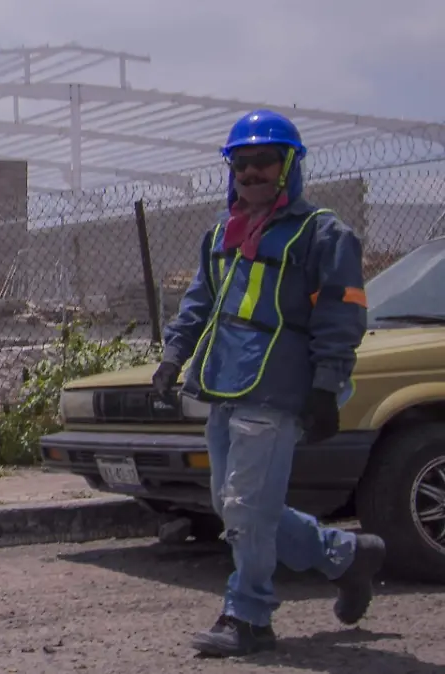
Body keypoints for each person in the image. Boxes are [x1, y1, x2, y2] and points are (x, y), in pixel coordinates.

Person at [151, 109, 386, 658]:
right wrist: (172, 358)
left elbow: (340, 318)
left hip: (277, 390)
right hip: (224, 385)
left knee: (246, 508)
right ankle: (346, 556)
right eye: (242, 163)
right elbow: (199, 303)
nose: (252, 173)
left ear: (289, 167)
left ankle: (249, 615)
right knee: (236, 507)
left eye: (264, 162)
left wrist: (327, 388)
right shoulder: (222, 232)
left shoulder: (324, 234)